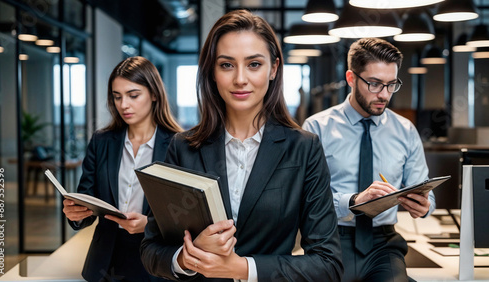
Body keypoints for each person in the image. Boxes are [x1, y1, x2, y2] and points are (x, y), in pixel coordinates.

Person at [140, 9, 343, 282]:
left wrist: (241, 268)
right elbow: (152, 250)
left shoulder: (303, 149)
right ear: (212, 71)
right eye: (226, 65)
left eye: (254, 64)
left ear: (273, 69)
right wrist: (186, 258)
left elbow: (327, 264)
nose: (240, 79)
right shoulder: (183, 147)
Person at [303, 38, 436, 282]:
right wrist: (353, 201)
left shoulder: (405, 130)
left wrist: (425, 206)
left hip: (383, 245)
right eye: (374, 84)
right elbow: (305, 199)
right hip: (329, 242)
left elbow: (425, 189)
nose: (384, 95)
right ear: (351, 79)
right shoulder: (315, 128)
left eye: (391, 85)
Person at [62, 56, 182, 282]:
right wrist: (76, 215)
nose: (123, 105)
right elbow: (87, 196)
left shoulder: (180, 145)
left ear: (154, 94)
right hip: (106, 260)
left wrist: (150, 225)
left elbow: (186, 216)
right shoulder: (101, 141)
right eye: (117, 97)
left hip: (156, 259)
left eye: (133, 95)